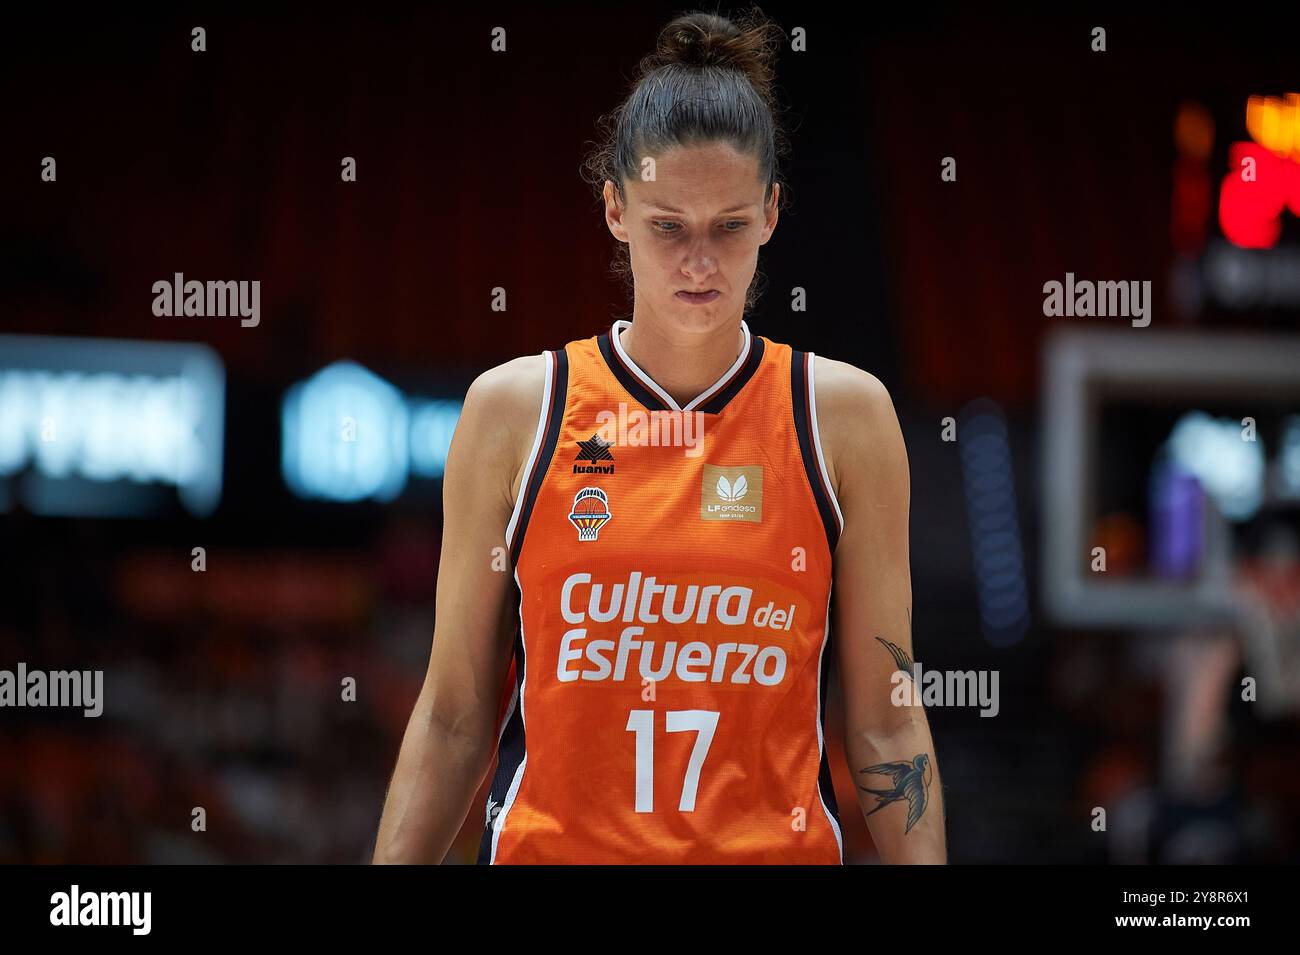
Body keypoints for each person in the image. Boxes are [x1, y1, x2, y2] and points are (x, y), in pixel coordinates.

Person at [373, 7, 946, 864]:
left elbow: (887, 719)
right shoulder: (514, 413)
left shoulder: (845, 418)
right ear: (614, 208)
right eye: (668, 225)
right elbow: (456, 715)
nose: (700, 263)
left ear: (774, 213)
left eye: (730, 225)